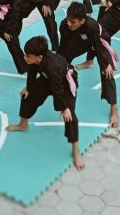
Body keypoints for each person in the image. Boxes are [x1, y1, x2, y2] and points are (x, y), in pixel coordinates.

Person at [5, 36, 84, 170]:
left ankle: (75, 150)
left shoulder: (54, 66)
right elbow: (31, 71)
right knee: (27, 96)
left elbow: (57, 89)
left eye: (28, 56)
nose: (25, 58)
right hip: (48, 79)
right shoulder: (35, 59)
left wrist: (64, 108)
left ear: (39, 57)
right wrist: (29, 88)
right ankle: (23, 124)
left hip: (64, 84)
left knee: (70, 117)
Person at [60, 4, 120, 127]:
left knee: (107, 72)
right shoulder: (64, 25)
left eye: (72, 21)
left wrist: (106, 64)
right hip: (82, 40)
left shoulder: (91, 26)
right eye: (67, 19)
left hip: (99, 41)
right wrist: (59, 61)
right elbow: (64, 46)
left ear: (82, 21)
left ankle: (114, 109)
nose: (69, 23)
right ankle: (88, 62)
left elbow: (98, 47)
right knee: (61, 62)